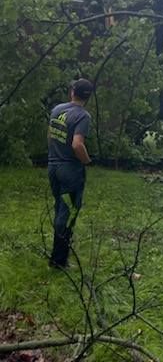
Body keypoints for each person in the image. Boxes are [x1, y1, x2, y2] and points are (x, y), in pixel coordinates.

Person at [47, 78, 94, 268]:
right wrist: (87, 161)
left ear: (72, 91)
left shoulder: (57, 110)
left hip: (53, 168)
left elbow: (50, 135)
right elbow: (77, 144)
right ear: (88, 96)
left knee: (60, 207)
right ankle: (59, 260)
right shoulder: (83, 116)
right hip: (70, 173)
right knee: (68, 213)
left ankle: (58, 255)